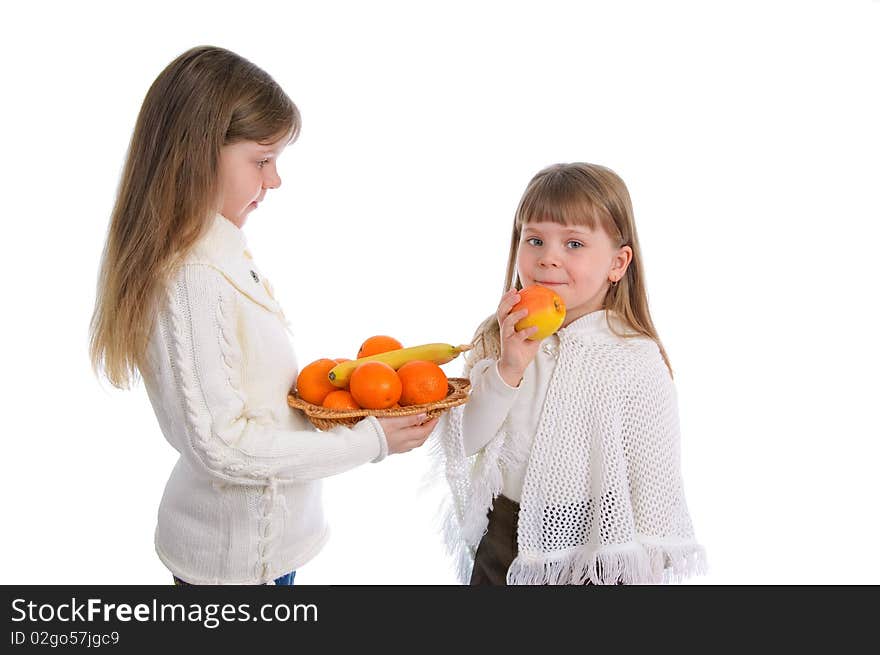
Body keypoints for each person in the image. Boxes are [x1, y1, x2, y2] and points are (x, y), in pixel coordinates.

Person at [89, 46, 437, 585]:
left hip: (263, 556)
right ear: (199, 152)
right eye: (262, 159)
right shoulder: (194, 277)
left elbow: (244, 392)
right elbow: (224, 445)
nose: (274, 180)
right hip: (238, 571)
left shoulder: (219, 252)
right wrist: (372, 441)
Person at [432, 162, 705, 585]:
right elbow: (466, 439)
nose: (549, 258)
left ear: (618, 263)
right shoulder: (501, 335)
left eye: (574, 243)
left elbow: (655, 484)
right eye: (535, 239)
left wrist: (644, 569)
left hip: (599, 546)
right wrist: (510, 366)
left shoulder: (634, 357)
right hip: (505, 532)